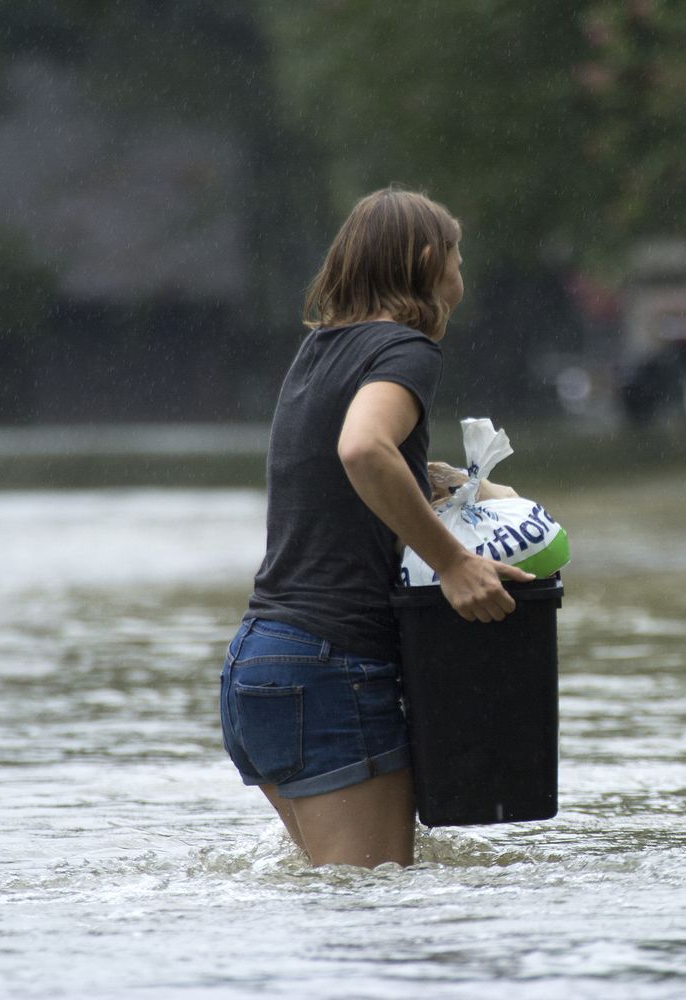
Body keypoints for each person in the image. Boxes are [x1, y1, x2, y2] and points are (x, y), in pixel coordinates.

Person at [219, 186, 533, 868]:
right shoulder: (406, 349)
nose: (461, 277)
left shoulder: (319, 352)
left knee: (342, 907)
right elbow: (362, 450)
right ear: (427, 261)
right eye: (458, 258)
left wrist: (454, 483)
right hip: (330, 670)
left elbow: (338, 471)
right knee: (377, 923)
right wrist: (454, 562)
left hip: (260, 666)